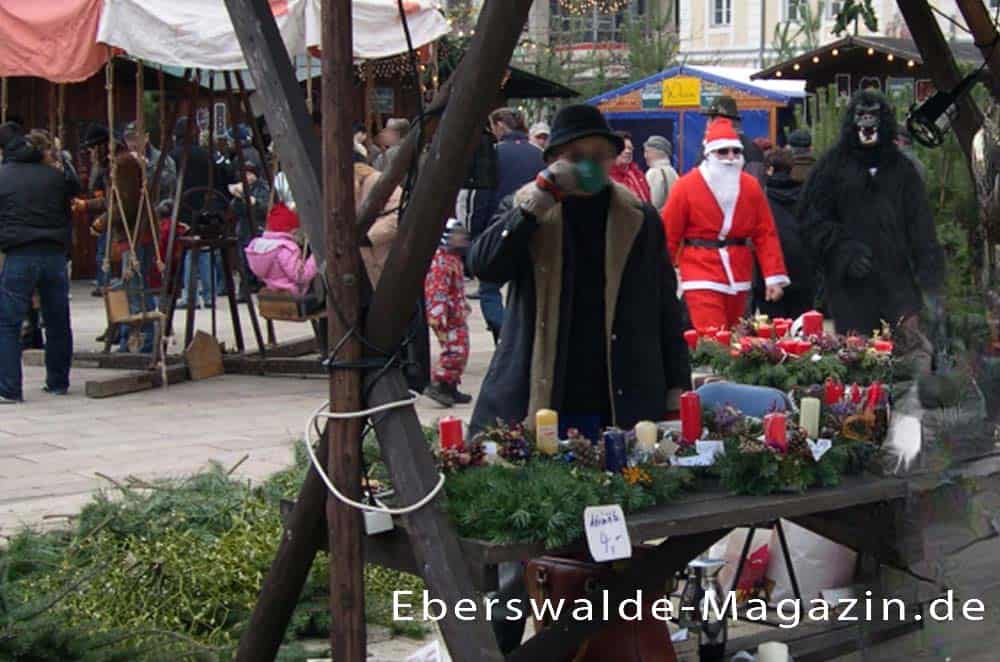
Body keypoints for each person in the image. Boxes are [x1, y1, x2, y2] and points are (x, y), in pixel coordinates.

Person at [467, 103, 691, 435]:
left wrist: (677, 388)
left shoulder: (639, 218)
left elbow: (666, 308)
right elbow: (484, 265)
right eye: (575, 155)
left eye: (599, 155)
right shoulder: (529, 208)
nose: (588, 164)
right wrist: (536, 204)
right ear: (554, 160)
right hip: (545, 383)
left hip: (622, 388)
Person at [799, 90, 943, 335]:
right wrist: (844, 251)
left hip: (899, 286)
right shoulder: (831, 167)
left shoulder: (902, 170)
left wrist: (931, 286)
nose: (867, 121)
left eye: (872, 115)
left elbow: (922, 230)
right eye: (861, 115)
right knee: (860, 358)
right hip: (851, 286)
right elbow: (811, 222)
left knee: (909, 358)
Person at [662, 118, 789, 331]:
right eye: (723, 152)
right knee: (713, 336)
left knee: (735, 338)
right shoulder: (685, 186)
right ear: (709, 154)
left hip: (739, 271)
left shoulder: (750, 187)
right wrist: (661, 278)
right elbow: (668, 235)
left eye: (735, 152)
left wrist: (773, 276)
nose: (730, 157)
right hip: (699, 270)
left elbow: (765, 232)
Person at [0, 129, 81, 402]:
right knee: (58, 320)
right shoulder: (55, 176)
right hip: (54, 254)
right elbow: (74, 190)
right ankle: (58, 381)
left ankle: (10, 388)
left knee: (9, 323)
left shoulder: (3, 176)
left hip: (19, 252)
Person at [458, 107, 544, 344]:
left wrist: (475, 233)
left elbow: (480, 197)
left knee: (488, 289)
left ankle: (506, 335)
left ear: (499, 126)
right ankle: (522, 336)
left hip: (498, 229)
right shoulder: (538, 154)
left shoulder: (493, 154)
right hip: (534, 228)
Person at [752, 148, 815, 320]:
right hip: (803, 273)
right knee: (802, 332)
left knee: (773, 332)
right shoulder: (807, 196)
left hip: (770, 275)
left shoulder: (760, 198)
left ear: (769, 170)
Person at [423, 219, 473, 407]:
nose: (461, 238)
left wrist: (463, 304)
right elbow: (437, 289)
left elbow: (456, 288)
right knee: (454, 351)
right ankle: (440, 383)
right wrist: (437, 314)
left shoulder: (454, 259)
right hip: (447, 316)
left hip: (457, 314)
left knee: (462, 349)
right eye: (457, 235)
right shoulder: (441, 261)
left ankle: (451, 386)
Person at [244, 196, 317, 295]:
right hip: (292, 293)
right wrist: (315, 258)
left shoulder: (260, 247)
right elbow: (300, 276)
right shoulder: (284, 249)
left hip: (272, 289)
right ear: (291, 230)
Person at [700, 96, 766, 187]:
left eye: (710, 119)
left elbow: (754, 190)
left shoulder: (752, 151)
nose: (707, 124)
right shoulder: (707, 148)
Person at [229, 161, 271, 299]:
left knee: (259, 261)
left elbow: (266, 208)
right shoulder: (241, 188)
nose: (245, 176)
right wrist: (237, 198)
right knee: (243, 261)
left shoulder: (263, 188)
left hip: (257, 228)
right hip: (244, 228)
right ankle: (244, 290)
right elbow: (235, 210)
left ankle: (261, 287)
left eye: (248, 173)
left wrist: (255, 202)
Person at [123, 121, 177, 200]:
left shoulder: (162, 159)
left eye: (135, 138)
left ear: (146, 137)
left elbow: (171, 184)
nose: (132, 144)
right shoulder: (124, 160)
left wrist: (147, 168)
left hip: (157, 206)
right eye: (129, 139)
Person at [608, 131, 651, 203]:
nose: (628, 151)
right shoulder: (605, 178)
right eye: (623, 148)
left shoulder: (638, 174)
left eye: (630, 148)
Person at [643, 134, 678, 210]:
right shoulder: (673, 172)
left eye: (647, 151)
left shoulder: (654, 172)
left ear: (657, 152)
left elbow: (653, 204)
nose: (645, 156)